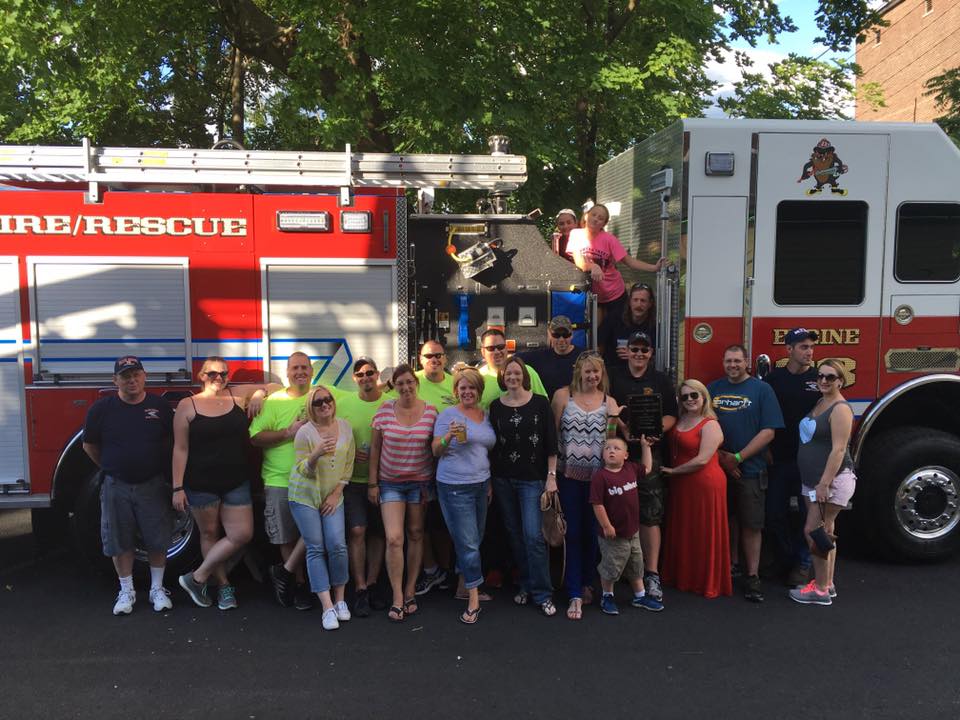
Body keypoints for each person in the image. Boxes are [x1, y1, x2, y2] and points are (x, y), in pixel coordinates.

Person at [174, 357, 273, 610]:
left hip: (236, 481)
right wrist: (177, 487)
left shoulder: (236, 397)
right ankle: (224, 586)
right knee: (209, 534)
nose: (218, 378)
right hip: (200, 482)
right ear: (201, 376)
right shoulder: (187, 406)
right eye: (212, 374)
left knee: (242, 534)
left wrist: (260, 392)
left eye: (223, 374)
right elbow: (180, 449)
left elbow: (273, 387)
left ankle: (197, 577)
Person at [82, 355, 175, 615]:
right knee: (118, 539)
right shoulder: (101, 410)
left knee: (157, 538)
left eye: (136, 374)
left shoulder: (160, 407)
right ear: (115, 380)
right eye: (125, 376)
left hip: (153, 484)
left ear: (145, 376)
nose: (131, 380)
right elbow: (89, 445)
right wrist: (111, 467)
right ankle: (126, 591)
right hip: (116, 484)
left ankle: (157, 589)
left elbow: (172, 442)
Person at [708, 345, 784, 603]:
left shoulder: (762, 390)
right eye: (728, 361)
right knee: (727, 520)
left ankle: (752, 576)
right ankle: (731, 565)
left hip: (750, 469)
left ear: (747, 362)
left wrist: (738, 457)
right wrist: (721, 457)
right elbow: (701, 424)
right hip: (719, 468)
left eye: (737, 361)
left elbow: (769, 432)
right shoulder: (713, 389)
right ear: (723, 362)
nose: (733, 365)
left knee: (752, 524)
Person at [607, 330, 677, 610]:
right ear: (628, 351)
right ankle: (618, 572)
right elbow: (607, 408)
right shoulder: (613, 377)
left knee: (650, 514)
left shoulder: (661, 380)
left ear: (651, 353)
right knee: (616, 512)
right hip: (617, 457)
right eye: (634, 349)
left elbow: (671, 413)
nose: (638, 354)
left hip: (649, 454)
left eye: (643, 350)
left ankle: (652, 574)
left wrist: (658, 432)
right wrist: (623, 428)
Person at [551, 351, 623, 620]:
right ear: (578, 372)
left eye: (597, 372)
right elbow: (553, 436)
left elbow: (612, 444)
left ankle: (587, 584)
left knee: (594, 534)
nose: (592, 377)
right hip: (568, 476)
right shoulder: (562, 397)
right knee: (573, 534)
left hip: (598, 480)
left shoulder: (609, 401)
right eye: (588, 371)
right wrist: (550, 475)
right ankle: (574, 594)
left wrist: (614, 419)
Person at [488, 356, 558, 617]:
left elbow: (552, 443)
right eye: (508, 373)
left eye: (517, 373)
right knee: (515, 536)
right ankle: (527, 585)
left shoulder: (540, 404)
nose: (513, 377)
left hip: (532, 479)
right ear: (503, 377)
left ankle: (543, 593)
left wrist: (551, 476)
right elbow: (493, 447)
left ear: (525, 376)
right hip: (503, 478)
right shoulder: (496, 407)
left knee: (533, 536)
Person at [369, 365, 439, 621]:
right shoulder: (385, 410)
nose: (406, 387)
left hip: (420, 483)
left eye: (410, 382)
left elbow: (437, 445)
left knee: (416, 534)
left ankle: (411, 589)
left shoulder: (431, 411)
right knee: (395, 538)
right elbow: (375, 448)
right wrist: (372, 483)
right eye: (400, 384)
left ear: (416, 383)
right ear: (394, 386)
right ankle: (397, 595)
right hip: (390, 483)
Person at [432, 367, 497, 625]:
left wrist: (489, 482)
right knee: (468, 543)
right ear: (456, 391)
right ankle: (473, 598)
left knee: (475, 539)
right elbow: (436, 450)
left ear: (479, 391)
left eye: (472, 387)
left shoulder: (486, 415)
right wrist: (448, 436)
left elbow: (485, 451)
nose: (467, 392)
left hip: (481, 484)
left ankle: (462, 585)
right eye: (462, 387)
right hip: (454, 485)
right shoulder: (447, 415)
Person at [249, 352, 313, 610]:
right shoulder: (273, 402)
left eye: (304, 367)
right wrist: (288, 433)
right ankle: (297, 584)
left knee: (311, 533)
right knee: (286, 536)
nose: (300, 372)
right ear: (287, 372)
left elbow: (366, 390)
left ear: (311, 371)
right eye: (294, 368)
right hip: (279, 480)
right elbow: (255, 437)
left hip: (313, 482)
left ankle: (286, 573)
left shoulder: (321, 394)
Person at [789, 359, 856, 606]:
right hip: (814, 481)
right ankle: (827, 583)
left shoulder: (840, 409)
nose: (824, 381)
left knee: (813, 531)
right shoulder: (821, 402)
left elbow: (839, 450)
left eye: (830, 377)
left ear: (841, 380)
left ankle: (818, 591)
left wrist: (824, 484)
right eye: (821, 377)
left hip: (830, 481)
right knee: (826, 532)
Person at [289, 386, 355, 630]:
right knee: (316, 547)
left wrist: (336, 492)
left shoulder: (345, 427)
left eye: (328, 400)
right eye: (319, 402)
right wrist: (315, 454)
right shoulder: (305, 433)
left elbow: (347, 465)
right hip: (304, 496)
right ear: (311, 407)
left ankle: (340, 601)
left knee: (338, 545)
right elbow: (302, 471)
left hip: (332, 496)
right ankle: (326, 607)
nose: (325, 404)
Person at [660, 380, 732, 599]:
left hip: (704, 483)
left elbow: (702, 460)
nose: (690, 400)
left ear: (704, 397)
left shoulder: (710, 424)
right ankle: (683, 578)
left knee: (703, 531)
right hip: (683, 483)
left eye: (694, 395)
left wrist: (673, 472)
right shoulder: (681, 419)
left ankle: (705, 582)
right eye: (685, 397)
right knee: (686, 529)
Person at [764, 328, 821, 586]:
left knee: (808, 516)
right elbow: (764, 417)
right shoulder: (774, 380)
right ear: (788, 350)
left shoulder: (820, 380)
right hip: (780, 458)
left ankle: (802, 563)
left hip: (809, 461)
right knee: (774, 514)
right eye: (802, 347)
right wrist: (765, 447)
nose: (809, 352)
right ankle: (785, 559)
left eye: (810, 347)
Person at [334, 357, 390, 617]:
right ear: (354, 378)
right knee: (357, 531)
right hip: (352, 481)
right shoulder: (343, 404)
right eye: (360, 374)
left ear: (377, 374)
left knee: (378, 533)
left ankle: (373, 582)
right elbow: (331, 437)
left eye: (370, 373)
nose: (366, 377)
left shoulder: (389, 404)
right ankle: (359, 589)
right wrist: (350, 452)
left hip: (384, 480)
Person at [566, 203, 664, 323]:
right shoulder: (576, 234)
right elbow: (579, 262)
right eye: (594, 215)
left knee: (615, 333)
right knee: (597, 334)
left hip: (615, 294)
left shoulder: (610, 239)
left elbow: (629, 261)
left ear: (604, 224)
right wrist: (593, 266)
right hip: (593, 295)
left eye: (600, 218)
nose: (596, 219)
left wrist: (654, 268)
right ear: (586, 216)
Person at [590, 436, 654, 615]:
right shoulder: (601, 477)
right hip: (612, 534)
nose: (611, 450)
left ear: (626, 455)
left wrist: (645, 447)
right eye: (607, 448)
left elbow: (647, 468)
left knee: (636, 564)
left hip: (632, 531)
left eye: (617, 448)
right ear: (602, 454)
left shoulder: (630, 468)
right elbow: (597, 504)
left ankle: (640, 595)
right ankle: (607, 595)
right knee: (612, 565)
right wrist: (606, 525)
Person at [412, 339, 455, 596]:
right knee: (421, 525)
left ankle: (447, 572)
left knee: (445, 524)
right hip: (419, 467)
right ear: (420, 359)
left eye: (439, 355)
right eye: (429, 356)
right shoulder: (410, 382)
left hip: (449, 468)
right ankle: (430, 571)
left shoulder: (455, 383)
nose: (434, 360)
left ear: (445, 359)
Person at [478, 328, 547, 408]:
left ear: (506, 348)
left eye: (500, 347)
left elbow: (543, 405)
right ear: (483, 352)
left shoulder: (527, 371)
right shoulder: (478, 378)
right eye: (491, 348)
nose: (497, 352)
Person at [598, 282, 658, 372]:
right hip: (614, 371)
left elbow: (657, 357)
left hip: (643, 374)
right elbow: (598, 345)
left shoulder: (655, 326)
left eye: (643, 301)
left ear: (650, 303)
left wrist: (633, 354)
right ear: (629, 301)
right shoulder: (614, 318)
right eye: (635, 300)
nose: (639, 305)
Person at [518, 315, 581, 400]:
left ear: (572, 334)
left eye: (565, 335)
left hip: (576, 409)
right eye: (556, 335)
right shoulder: (539, 357)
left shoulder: (583, 357)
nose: (561, 339)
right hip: (549, 408)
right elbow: (514, 359)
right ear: (549, 334)